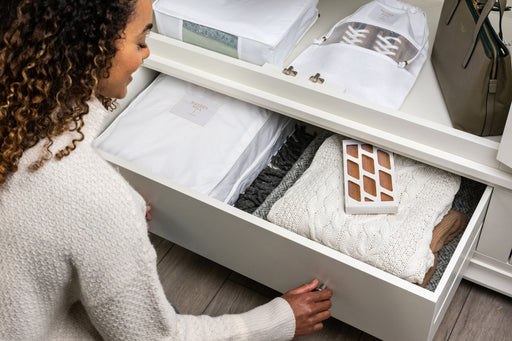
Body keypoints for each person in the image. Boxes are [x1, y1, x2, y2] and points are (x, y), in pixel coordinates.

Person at [0, 0, 333, 340]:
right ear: (90, 49)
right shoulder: (92, 197)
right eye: (141, 41)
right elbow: (156, 338)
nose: (146, 54)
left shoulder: (18, 117)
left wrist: (107, 225)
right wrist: (276, 321)